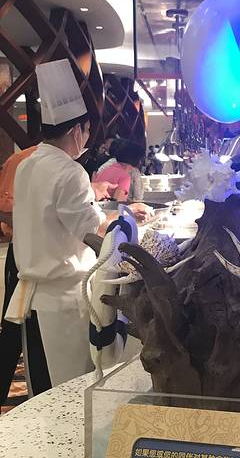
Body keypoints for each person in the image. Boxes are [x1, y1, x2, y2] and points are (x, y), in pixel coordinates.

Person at [5, 60, 149, 387]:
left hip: (31, 298)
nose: (86, 139)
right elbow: (93, 228)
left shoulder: (29, 164)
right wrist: (126, 214)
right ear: (74, 130)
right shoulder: (70, 171)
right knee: (68, 389)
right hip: (63, 302)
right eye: (86, 131)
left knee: (39, 386)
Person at [0, 146, 51, 404]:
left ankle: (41, 397)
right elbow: (4, 209)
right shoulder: (22, 161)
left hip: (47, 259)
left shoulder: (68, 163)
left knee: (37, 333)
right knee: (13, 326)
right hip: (23, 253)